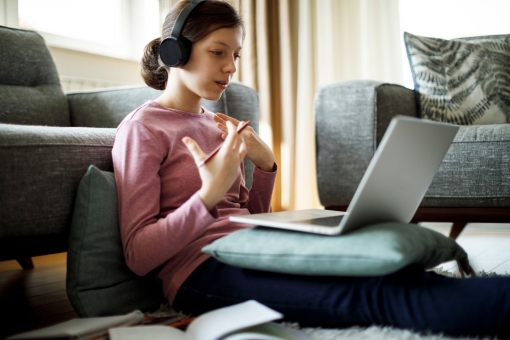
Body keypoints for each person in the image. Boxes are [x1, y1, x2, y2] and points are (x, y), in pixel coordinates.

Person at [112, 0, 510, 338]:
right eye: (219, 52)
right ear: (174, 52)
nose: (231, 67)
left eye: (235, 55)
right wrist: (205, 198)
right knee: (370, 295)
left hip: (253, 250)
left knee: (392, 274)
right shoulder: (143, 129)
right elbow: (138, 254)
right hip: (199, 273)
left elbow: (247, 221)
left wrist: (266, 166)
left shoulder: (215, 124)